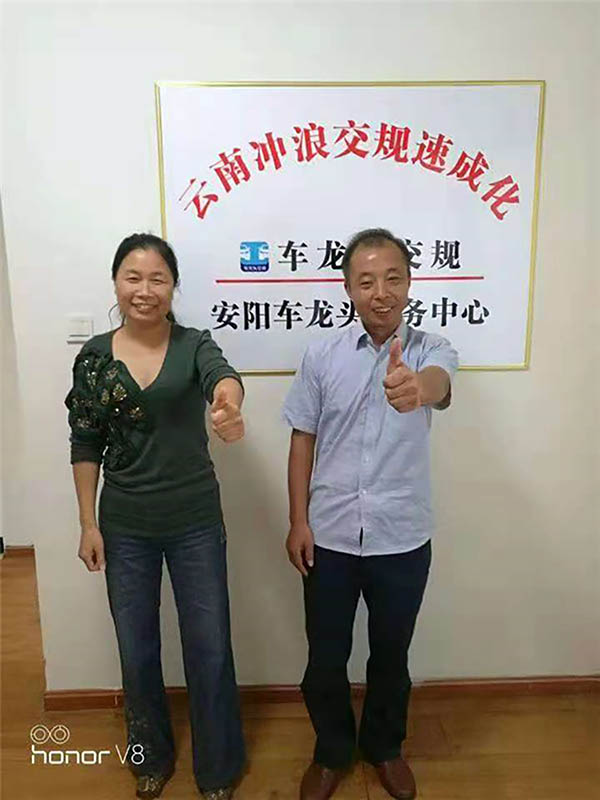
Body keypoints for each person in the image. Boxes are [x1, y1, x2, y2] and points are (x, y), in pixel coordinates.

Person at [65, 233, 245, 800]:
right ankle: (149, 757)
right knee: (136, 648)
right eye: (133, 278)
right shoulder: (95, 358)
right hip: (125, 525)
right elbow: (85, 441)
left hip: (195, 520)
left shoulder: (194, 345)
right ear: (116, 283)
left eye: (158, 279)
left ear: (173, 286)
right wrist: (87, 522)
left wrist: (229, 405)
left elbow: (223, 377)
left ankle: (218, 767)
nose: (145, 290)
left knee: (209, 645)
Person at [283, 228, 459, 800]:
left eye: (392, 279)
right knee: (325, 657)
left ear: (409, 284)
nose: (381, 292)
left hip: (401, 536)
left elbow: (439, 384)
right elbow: (302, 438)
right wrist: (298, 521)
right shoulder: (322, 354)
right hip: (329, 535)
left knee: (391, 655)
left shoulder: (431, 349)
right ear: (349, 289)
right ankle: (332, 751)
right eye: (367, 281)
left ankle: (384, 747)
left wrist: (417, 389)